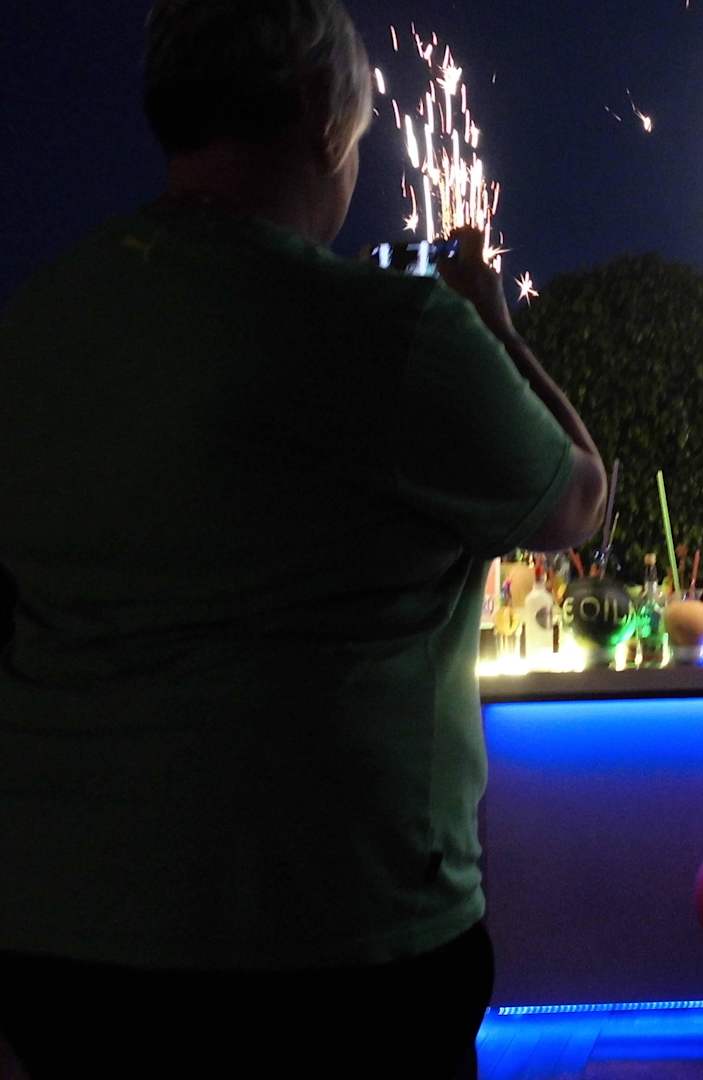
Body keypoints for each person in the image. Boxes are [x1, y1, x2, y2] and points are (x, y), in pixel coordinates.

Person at [0, 3, 605, 1077]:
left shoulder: (37, 324)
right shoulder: (393, 334)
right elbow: (577, 503)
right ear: (326, 115)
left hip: (63, 937)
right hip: (342, 936)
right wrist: (494, 326)